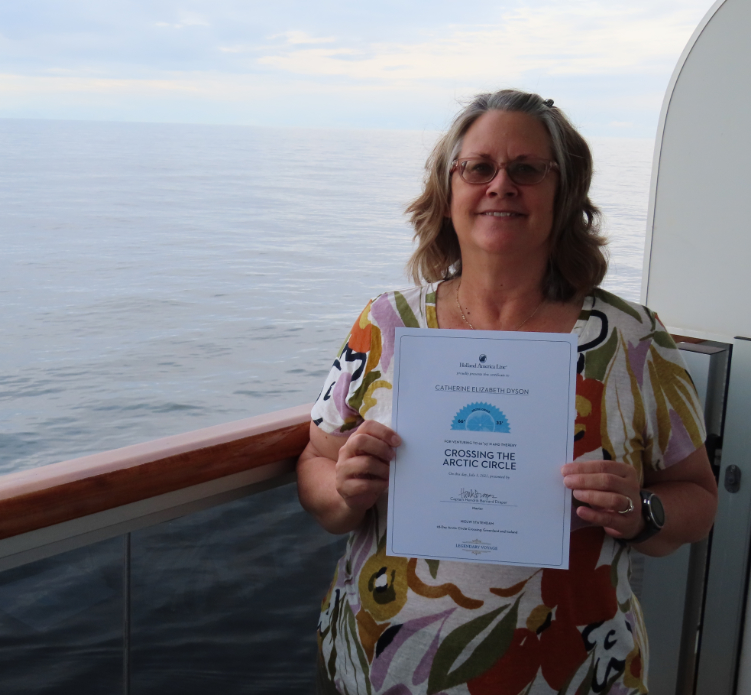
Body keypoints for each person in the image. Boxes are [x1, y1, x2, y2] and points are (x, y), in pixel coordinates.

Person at [296, 89, 718, 695]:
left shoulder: (631, 339)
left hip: (569, 669)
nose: (501, 185)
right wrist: (344, 493)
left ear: (563, 194)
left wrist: (642, 510)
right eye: (479, 167)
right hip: (379, 660)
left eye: (527, 169)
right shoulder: (387, 323)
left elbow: (699, 499)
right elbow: (317, 459)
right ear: (448, 191)